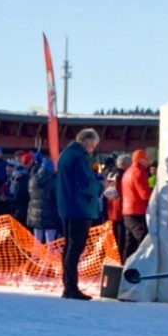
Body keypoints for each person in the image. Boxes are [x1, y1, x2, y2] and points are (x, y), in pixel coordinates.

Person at [55, 128, 102, 299]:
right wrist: (102, 186)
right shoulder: (78, 157)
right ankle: (70, 287)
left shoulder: (66, 154)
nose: (93, 149)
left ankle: (69, 285)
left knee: (70, 247)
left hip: (69, 207)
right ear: (87, 141)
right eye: (94, 145)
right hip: (80, 208)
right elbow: (85, 184)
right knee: (74, 249)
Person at [120, 146, 153, 260]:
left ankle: (126, 265)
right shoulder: (139, 172)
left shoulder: (128, 172)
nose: (148, 161)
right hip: (137, 211)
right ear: (141, 159)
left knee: (131, 243)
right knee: (144, 239)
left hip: (127, 211)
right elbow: (144, 195)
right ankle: (145, 264)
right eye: (146, 158)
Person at [27, 152, 61, 244]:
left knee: (37, 242)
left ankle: (35, 254)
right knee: (50, 242)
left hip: (34, 214)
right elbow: (57, 196)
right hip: (50, 214)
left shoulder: (32, 179)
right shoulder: (53, 181)